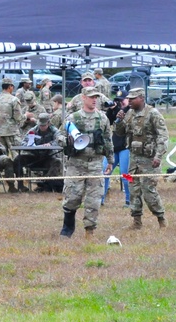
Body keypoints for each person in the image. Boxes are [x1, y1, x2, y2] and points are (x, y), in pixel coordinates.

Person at [59, 87, 114, 238]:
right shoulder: (73, 118)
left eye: (96, 97)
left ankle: (90, 231)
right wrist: (67, 142)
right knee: (72, 197)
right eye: (91, 97)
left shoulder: (102, 118)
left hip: (96, 164)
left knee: (94, 200)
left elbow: (108, 140)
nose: (94, 99)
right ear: (83, 98)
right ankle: (67, 228)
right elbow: (59, 136)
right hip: (76, 164)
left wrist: (110, 160)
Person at [115, 88, 168, 229]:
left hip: (149, 160)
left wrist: (158, 156)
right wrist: (119, 121)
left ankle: (161, 219)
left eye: (133, 99)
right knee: (133, 189)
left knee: (148, 191)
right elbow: (120, 133)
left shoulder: (153, 114)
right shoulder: (130, 113)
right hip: (134, 159)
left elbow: (163, 136)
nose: (129, 101)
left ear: (141, 98)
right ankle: (136, 222)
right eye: (129, 99)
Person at [15, 113, 65, 192]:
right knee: (18, 159)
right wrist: (30, 145)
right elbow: (23, 143)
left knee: (57, 162)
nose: (41, 127)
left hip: (48, 157)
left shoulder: (54, 130)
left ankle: (45, 184)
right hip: (34, 157)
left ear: (48, 123)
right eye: (40, 125)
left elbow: (60, 140)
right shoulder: (33, 130)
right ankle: (20, 185)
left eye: (44, 125)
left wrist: (50, 144)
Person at [103, 92, 131, 206]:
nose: (121, 102)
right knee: (104, 173)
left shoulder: (132, 112)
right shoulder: (117, 111)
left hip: (126, 147)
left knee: (125, 174)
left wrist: (120, 109)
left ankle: (130, 199)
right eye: (119, 100)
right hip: (114, 147)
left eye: (123, 100)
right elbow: (108, 121)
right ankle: (100, 199)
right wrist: (112, 109)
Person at [0, 77, 25, 157]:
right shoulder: (14, 100)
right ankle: (17, 170)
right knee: (17, 156)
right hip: (12, 133)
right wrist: (26, 116)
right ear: (10, 87)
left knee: (2, 157)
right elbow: (18, 117)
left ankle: (5, 170)